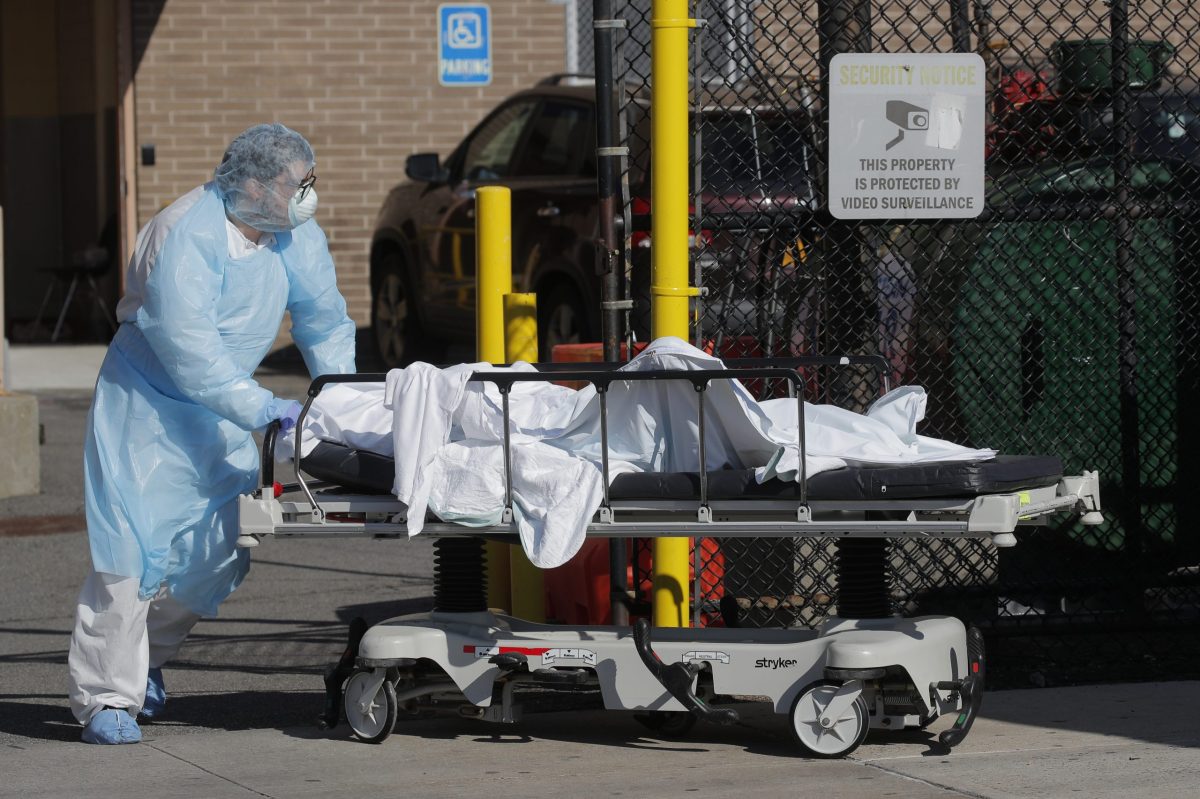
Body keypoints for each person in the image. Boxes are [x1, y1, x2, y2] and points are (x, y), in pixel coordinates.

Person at [67, 123, 357, 744]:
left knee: (219, 552)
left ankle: (142, 663)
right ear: (253, 183)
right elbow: (189, 352)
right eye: (295, 183)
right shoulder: (183, 234)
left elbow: (323, 317)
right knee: (130, 558)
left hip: (223, 412)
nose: (308, 194)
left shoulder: (292, 235)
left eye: (311, 181)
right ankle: (104, 699)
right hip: (146, 408)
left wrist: (345, 397)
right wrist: (265, 409)